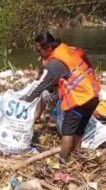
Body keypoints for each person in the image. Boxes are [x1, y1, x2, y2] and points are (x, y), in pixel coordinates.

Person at [23, 32, 100, 163]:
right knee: (79, 130)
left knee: (67, 132)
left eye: (39, 50)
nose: (38, 53)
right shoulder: (67, 50)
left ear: (48, 47)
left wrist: (24, 101)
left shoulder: (55, 63)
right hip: (93, 95)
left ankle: (62, 162)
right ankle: (77, 157)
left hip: (79, 98)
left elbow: (40, 86)